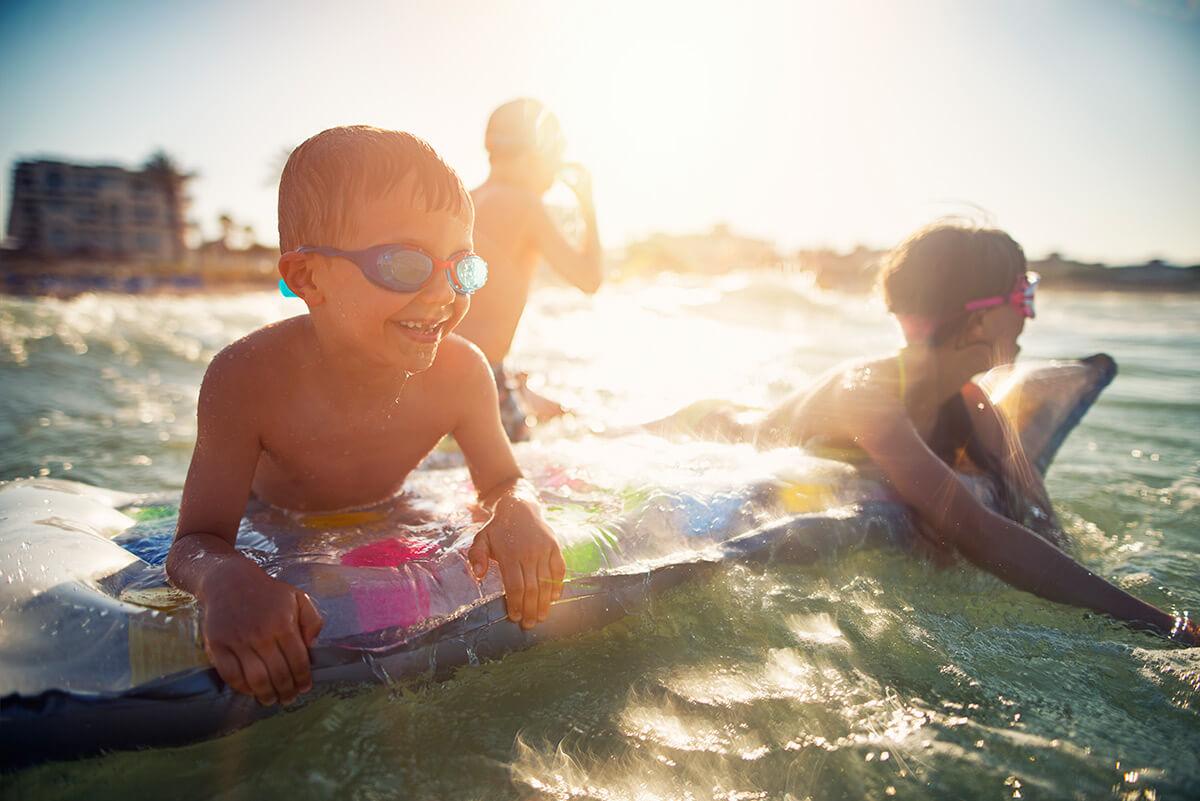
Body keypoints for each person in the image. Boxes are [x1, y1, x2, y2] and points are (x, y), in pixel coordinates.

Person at [166, 126, 567, 708]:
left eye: (463, 268)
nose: (441, 295)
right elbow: (196, 540)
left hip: (391, 509)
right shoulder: (247, 379)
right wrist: (224, 578)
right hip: (274, 521)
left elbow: (504, 479)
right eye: (405, 265)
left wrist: (519, 510)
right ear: (307, 278)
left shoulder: (461, 371)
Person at [657, 223, 1197, 645]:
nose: (1031, 317)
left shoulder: (974, 404)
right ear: (981, 319)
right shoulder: (866, 389)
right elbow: (976, 531)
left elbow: (1038, 517)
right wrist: (1169, 628)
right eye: (1024, 297)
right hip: (712, 426)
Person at [454, 98, 604, 441]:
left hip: (442, 370)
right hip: (480, 381)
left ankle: (516, 389)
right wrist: (588, 205)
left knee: (550, 409)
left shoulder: (464, 200)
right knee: (579, 429)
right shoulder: (525, 204)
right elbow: (589, 279)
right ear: (535, 154)